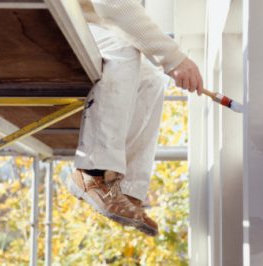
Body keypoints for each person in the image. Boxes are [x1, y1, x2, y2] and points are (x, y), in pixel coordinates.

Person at [66, 0, 203, 236]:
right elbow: (113, 4)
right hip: (41, 18)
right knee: (122, 47)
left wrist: (170, 59)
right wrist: (173, 58)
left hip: (71, 20)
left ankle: (126, 189)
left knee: (151, 78)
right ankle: (93, 173)